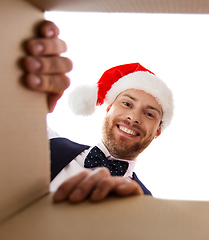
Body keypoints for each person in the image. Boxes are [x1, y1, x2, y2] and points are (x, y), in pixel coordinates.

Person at [23, 21, 174, 203]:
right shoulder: (45, 144)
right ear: (109, 108)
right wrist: (25, 103)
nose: (133, 117)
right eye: (127, 103)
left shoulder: (148, 205)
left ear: (157, 131)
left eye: (149, 114)